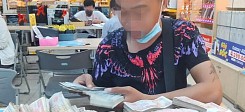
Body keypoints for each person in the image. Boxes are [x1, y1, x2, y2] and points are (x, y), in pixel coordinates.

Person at [74, 0, 222, 105]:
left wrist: (148, 100)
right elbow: (100, 98)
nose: (131, 21)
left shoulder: (183, 34)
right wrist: (87, 85)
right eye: (123, 11)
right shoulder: (108, 46)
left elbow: (213, 91)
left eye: (140, 10)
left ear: (163, 3)